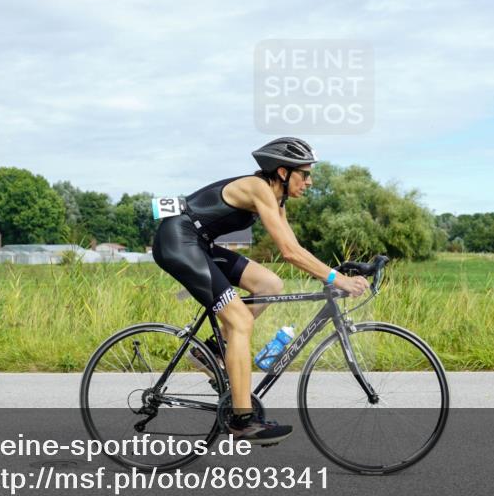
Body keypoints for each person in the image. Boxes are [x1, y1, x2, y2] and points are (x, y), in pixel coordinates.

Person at [151, 137, 369, 444]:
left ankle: (213, 350)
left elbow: (295, 248)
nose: (309, 181)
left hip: (198, 244)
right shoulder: (259, 189)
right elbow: (289, 253)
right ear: (282, 172)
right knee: (241, 321)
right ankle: (242, 420)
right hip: (178, 243)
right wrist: (337, 280)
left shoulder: (277, 199)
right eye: (304, 174)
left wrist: (334, 273)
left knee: (269, 284)